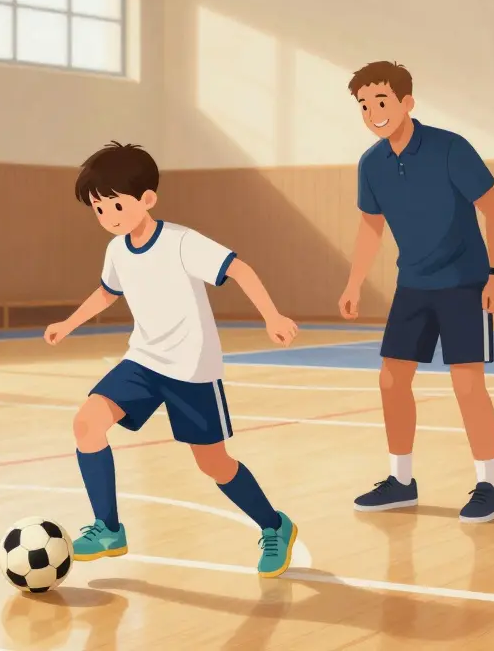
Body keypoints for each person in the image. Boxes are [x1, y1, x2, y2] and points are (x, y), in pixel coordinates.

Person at [44, 142, 302, 577]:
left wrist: (271, 315)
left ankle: (275, 525)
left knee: (213, 463)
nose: (108, 216)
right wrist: (69, 323)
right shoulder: (117, 251)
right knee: (87, 422)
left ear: (147, 199)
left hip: (191, 369)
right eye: (98, 209)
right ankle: (108, 529)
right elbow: (108, 292)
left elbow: (238, 268)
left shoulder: (182, 242)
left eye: (115, 205)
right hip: (143, 362)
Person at [338, 61, 494, 523]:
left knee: (467, 384)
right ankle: (400, 481)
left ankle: (489, 484)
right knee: (391, 380)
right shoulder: (371, 164)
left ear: (406, 103)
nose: (374, 111)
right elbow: (371, 227)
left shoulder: (450, 148)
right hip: (412, 285)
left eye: (382, 101)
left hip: (464, 285)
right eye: (364, 105)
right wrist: (354, 282)